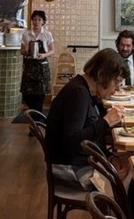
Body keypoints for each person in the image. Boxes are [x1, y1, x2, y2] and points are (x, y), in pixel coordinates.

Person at [46, 48, 128, 189]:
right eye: (117, 82)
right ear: (103, 74)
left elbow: (89, 140)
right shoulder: (78, 93)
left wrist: (110, 156)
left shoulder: (83, 89)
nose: (118, 88)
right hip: (68, 171)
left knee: (129, 161)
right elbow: (71, 143)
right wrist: (106, 121)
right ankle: (116, 202)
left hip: (76, 163)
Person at [20, 10, 55, 113]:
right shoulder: (26, 34)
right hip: (29, 66)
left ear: (43, 21)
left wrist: (44, 55)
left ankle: (37, 117)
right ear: (32, 21)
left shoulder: (47, 34)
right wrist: (25, 51)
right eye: (35, 19)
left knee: (40, 95)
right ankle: (34, 113)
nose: (37, 22)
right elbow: (21, 51)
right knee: (27, 94)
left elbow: (53, 50)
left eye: (39, 19)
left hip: (41, 67)